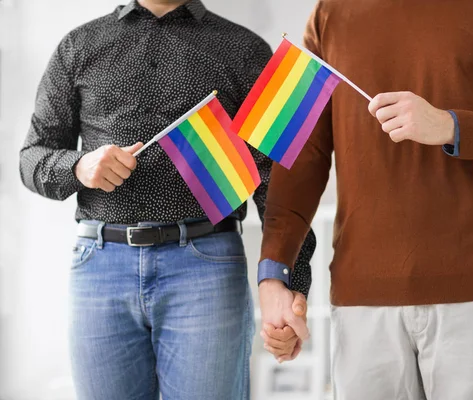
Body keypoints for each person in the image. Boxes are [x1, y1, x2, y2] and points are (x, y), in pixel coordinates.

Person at [258, 0, 473, 398]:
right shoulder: (330, 11)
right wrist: (272, 274)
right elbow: (296, 157)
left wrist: (452, 126)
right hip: (363, 301)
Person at [19, 1, 314, 399]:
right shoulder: (79, 46)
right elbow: (32, 158)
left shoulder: (244, 51)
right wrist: (79, 167)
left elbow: (281, 185)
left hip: (207, 267)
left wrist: (283, 281)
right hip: (99, 268)